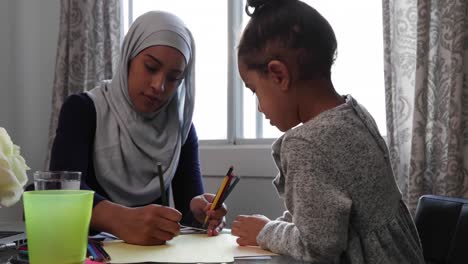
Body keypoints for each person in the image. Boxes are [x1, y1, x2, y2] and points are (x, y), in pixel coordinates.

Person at [230, 0, 425, 263]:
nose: (259, 108)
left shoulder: (306, 145)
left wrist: (265, 231)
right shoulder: (354, 113)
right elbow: (326, 213)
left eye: (254, 90)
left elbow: (319, 247)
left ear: (278, 75)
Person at [49, 11, 226, 246]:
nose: (159, 86)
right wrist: (121, 219)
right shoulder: (83, 110)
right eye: (151, 67)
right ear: (128, 58)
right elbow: (64, 189)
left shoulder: (180, 128)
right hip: (87, 252)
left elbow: (187, 211)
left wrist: (201, 212)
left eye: (174, 78)